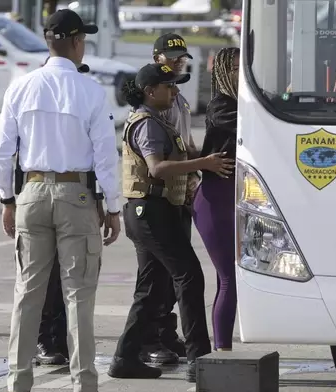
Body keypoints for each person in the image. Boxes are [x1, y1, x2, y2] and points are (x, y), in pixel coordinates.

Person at [0, 9, 121, 392]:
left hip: (30, 192)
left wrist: (6, 199)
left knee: (27, 293)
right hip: (75, 195)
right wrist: (112, 206)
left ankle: (18, 381)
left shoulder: (21, 86)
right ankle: (84, 384)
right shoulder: (90, 90)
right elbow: (105, 155)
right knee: (78, 295)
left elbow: (2, 149)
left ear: (49, 42)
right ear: (78, 42)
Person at [107, 63, 234, 382]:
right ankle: (198, 359)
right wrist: (204, 163)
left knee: (151, 289)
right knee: (189, 276)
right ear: (151, 91)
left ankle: (125, 358)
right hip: (150, 211)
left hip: (152, 211)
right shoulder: (147, 124)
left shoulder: (159, 122)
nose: (175, 92)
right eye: (169, 87)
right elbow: (157, 168)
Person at [13, 62, 92, 366]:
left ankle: (53, 340)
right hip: (43, 192)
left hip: (71, 194)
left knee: (64, 279)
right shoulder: (36, 100)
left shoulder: (78, 103)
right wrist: (9, 200)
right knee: (44, 280)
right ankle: (45, 339)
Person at [137, 33, 201, 365]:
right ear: (156, 57)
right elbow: (159, 158)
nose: (177, 63)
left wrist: (194, 175)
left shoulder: (178, 100)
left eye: (181, 58)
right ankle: (148, 339)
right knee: (156, 273)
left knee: (172, 272)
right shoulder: (152, 100)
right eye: (171, 58)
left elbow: (185, 144)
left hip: (178, 195)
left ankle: (164, 332)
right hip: (155, 198)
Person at [192, 47, 240, 352]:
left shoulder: (242, 104)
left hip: (237, 197)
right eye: (234, 68)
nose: (239, 73)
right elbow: (254, 123)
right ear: (222, 72)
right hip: (215, 200)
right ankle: (222, 351)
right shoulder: (221, 107)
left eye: (243, 67)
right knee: (228, 279)